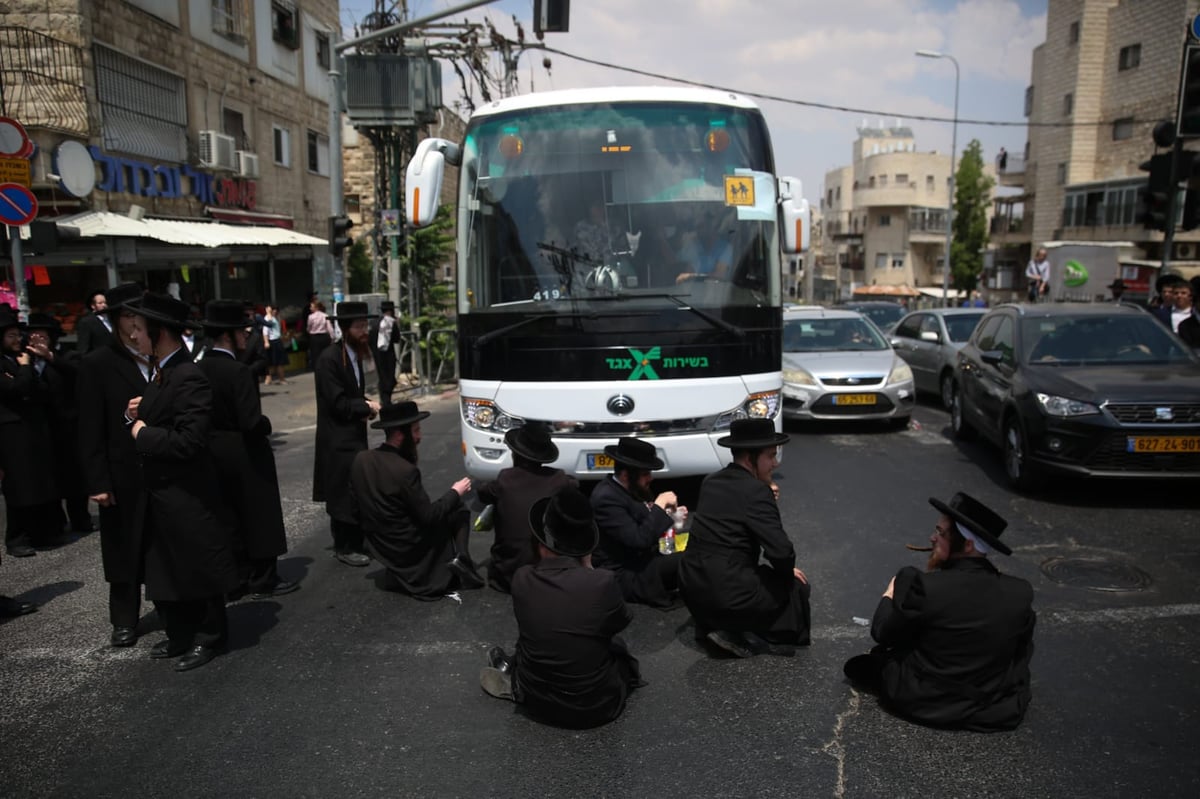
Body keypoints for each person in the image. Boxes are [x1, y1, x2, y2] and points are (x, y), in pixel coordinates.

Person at [843, 492, 1036, 732]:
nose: (932, 538)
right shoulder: (1019, 592)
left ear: (967, 544)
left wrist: (890, 594)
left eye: (941, 533)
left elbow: (883, 632)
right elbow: (1020, 655)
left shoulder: (928, 586)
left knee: (869, 664)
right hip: (990, 708)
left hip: (923, 701)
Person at [126, 292, 240, 671]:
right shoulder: (162, 371)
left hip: (186, 492)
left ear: (160, 333)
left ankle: (209, 636)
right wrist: (140, 413)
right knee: (164, 567)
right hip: (159, 492)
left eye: (140, 329)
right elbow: (162, 417)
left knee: (196, 565)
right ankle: (178, 634)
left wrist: (143, 434)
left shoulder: (190, 375)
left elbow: (190, 440)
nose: (133, 336)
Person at [479, 486, 644, 728]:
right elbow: (621, 620)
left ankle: (515, 678)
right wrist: (589, 569)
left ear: (543, 542)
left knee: (537, 636)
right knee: (615, 647)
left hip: (538, 703)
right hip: (596, 708)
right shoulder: (601, 582)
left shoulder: (522, 578)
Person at [678, 419, 811, 658]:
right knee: (797, 586)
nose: (775, 463)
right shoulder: (757, 492)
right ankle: (743, 633)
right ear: (750, 458)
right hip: (727, 593)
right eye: (770, 456)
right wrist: (786, 572)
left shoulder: (710, 481)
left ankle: (717, 625)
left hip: (692, 586)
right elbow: (781, 551)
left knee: (755, 576)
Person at [196, 300, 298, 601]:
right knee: (259, 515)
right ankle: (263, 578)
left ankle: (237, 576)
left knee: (229, 517)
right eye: (241, 333)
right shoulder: (237, 371)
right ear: (227, 336)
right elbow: (251, 420)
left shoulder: (198, 368)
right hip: (244, 451)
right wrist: (266, 424)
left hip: (213, 449)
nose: (245, 338)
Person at [77, 282, 149, 647]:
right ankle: (124, 619)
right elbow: (89, 427)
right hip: (120, 471)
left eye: (140, 313)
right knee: (123, 550)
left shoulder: (160, 354)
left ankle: (169, 606)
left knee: (161, 544)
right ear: (116, 320)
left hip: (160, 466)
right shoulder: (98, 363)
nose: (135, 322)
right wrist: (97, 480)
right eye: (128, 315)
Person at [349, 401, 482, 597]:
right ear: (400, 434)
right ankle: (462, 559)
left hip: (380, 544)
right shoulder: (405, 471)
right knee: (458, 508)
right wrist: (455, 491)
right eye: (416, 430)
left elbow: (354, 508)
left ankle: (454, 561)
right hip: (407, 545)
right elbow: (429, 517)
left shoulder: (361, 459)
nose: (419, 437)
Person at [313, 301, 381, 567]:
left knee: (356, 488)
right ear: (344, 328)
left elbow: (351, 395)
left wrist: (365, 404)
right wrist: (365, 406)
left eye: (365, 325)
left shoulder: (354, 354)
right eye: (359, 326)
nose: (364, 331)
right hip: (337, 439)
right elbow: (338, 403)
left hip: (353, 435)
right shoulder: (329, 359)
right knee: (342, 491)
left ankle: (357, 540)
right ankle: (345, 545)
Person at [476, 423, 577, 593]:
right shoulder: (558, 479)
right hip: (548, 574)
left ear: (516, 454)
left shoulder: (505, 479)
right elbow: (574, 484)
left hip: (508, 576)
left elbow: (482, 492)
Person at [590, 437, 683, 608]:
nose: (651, 478)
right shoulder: (606, 498)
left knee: (699, 543)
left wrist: (671, 517)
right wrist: (660, 506)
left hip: (647, 557)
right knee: (690, 559)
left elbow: (647, 522)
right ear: (626, 475)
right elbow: (639, 539)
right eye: (645, 474)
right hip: (627, 573)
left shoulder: (632, 487)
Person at [25, 313, 93, 535]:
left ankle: (80, 519)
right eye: (33, 335)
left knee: (74, 478)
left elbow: (77, 374)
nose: (37, 339)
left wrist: (50, 357)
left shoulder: (68, 356)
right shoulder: (25, 360)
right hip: (42, 428)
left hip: (68, 426)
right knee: (49, 478)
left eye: (42, 335)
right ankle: (55, 522)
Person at [0, 309, 61, 558]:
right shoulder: (7, 363)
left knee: (38, 481)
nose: (17, 340)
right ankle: (16, 537)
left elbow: (39, 389)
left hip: (33, 426)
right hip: (11, 431)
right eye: (12, 335)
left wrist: (27, 370)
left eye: (18, 334)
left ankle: (40, 531)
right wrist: (24, 369)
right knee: (19, 485)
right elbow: (16, 389)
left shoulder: (19, 360)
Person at [675, 208, 735, 283]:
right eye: (696, 228)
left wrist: (690, 276)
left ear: (710, 227)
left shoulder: (726, 248)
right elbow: (684, 268)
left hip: (718, 292)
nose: (697, 231)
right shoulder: (694, 246)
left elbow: (718, 275)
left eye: (701, 227)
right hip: (692, 292)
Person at [369, 300, 400, 407]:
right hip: (388, 354)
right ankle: (386, 400)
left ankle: (384, 399)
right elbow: (397, 339)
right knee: (389, 377)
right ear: (391, 311)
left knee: (382, 376)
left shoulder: (374, 322)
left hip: (376, 354)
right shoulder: (391, 322)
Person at [74, 289, 113, 354]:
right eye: (100, 303)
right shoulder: (87, 322)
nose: (104, 305)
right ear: (93, 306)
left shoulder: (112, 319)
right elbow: (83, 348)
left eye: (105, 302)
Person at [262, 304, 287, 385]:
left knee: (277, 362)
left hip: (277, 340)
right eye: (273, 309)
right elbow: (265, 331)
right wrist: (266, 341)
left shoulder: (275, 318)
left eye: (276, 309)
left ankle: (274, 378)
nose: (275, 311)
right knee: (275, 362)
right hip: (272, 341)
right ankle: (278, 379)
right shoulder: (268, 317)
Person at [306, 300, 333, 371]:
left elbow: (309, 327)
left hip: (314, 337)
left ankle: (318, 369)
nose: (310, 308)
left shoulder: (311, 317)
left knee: (315, 354)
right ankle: (327, 367)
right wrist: (332, 337)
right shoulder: (325, 315)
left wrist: (309, 331)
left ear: (316, 307)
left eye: (311, 307)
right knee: (325, 353)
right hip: (324, 336)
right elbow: (329, 328)